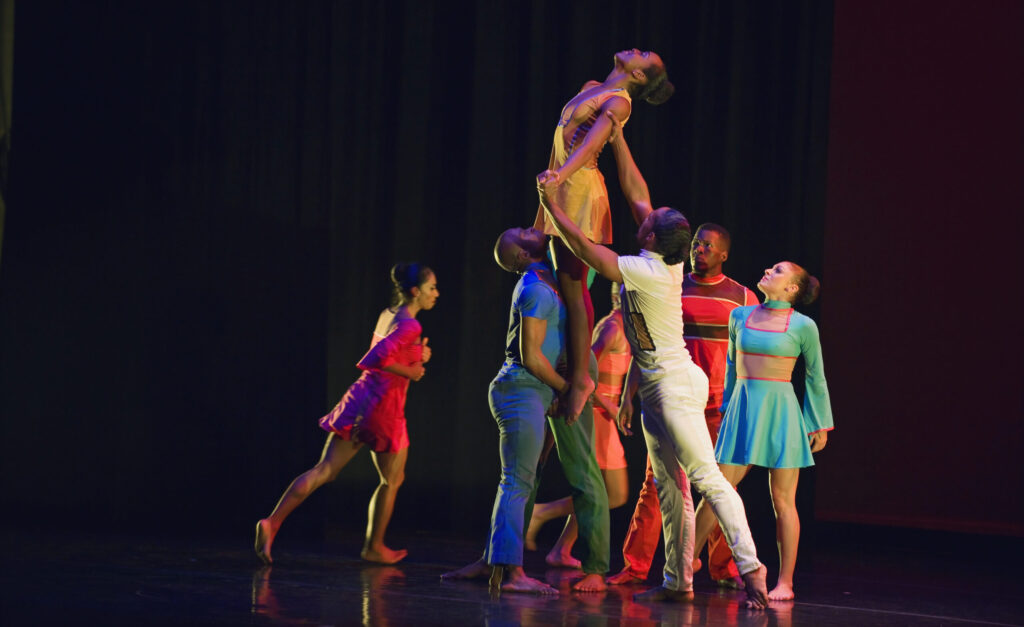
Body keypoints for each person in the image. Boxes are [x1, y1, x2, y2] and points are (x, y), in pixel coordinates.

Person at [537, 132, 769, 608]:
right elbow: (637, 192)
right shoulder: (667, 256)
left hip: (674, 384)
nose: (644, 214)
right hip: (661, 386)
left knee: (706, 478)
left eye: (649, 220)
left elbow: (585, 248)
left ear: (650, 236)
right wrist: (619, 139)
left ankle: (752, 568)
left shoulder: (647, 268)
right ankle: (676, 581)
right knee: (670, 486)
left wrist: (552, 202)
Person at [440, 227, 609, 594]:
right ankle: (510, 573)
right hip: (522, 389)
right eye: (520, 234)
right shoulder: (534, 288)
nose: (529, 229)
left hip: (539, 390)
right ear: (520, 255)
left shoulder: (554, 277)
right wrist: (569, 388)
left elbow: (566, 238)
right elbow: (531, 357)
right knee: (517, 480)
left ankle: (492, 561)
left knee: (521, 480)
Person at [254, 263, 438, 565]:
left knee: (325, 469)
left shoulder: (389, 314)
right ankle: (374, 546)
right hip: (384, 408)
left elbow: (392, 350)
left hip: (360, 400)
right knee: (392, 480)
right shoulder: (411, 325)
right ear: (416, 291)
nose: (436, 294)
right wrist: (412, 371)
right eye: (431, 288)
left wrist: (418, 355)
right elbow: (375, 358)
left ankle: (271, 522)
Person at [609, 224, 758, 588]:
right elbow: (645, 344)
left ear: (724, 254)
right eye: (696, 243)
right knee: (657, 484)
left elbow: (752, 355)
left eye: (708, 245)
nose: (700, 249)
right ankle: (637, 566)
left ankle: (726, 567)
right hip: (673, 396)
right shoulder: (673, 283)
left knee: (718, 484)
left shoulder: (741, 297)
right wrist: (628, 395)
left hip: (719, 402)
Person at [534, 49, 675, 426]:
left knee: (573, 283)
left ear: (640, 76)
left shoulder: (618, 102)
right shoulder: (593, 88)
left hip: (579, 189)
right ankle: (563, 361)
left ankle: (580, 378)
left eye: (642, 55)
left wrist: (559, 177)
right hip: (562, 182)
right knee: (559, 279)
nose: (634, 49)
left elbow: (591, 144)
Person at [691, 261, 833, 602]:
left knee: (783, 501)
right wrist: (727, 408)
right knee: (716, 490)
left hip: (782, 414)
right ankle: (686, 561)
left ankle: (785, 582)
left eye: (779, 270)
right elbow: (730, 366)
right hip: (743, 409)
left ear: (792, 289)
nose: (769, 270)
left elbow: (815, 375)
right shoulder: (740, 316)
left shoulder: (803, 326)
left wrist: (820, 423)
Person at [525, 282, 632, 567]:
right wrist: (610, 405)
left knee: (613, 493)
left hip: (605, 416)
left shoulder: (627, 329)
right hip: (597, 414)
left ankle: (560, 547)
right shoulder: (613, 328)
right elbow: (581, 372)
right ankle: (543, 514)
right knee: (608, 491)